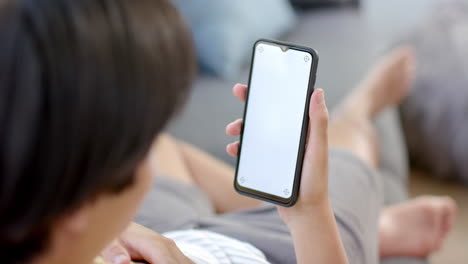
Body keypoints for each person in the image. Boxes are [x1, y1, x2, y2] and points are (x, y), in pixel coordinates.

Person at [0, 0, 457, 264]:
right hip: (276, 252)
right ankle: (361, 108)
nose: (142, 153)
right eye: (132, 147)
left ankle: (276, 200)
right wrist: (309, 213)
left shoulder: (50, 224)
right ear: (77, 205)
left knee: (166, 150)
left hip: (162, 234)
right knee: (343, 154)